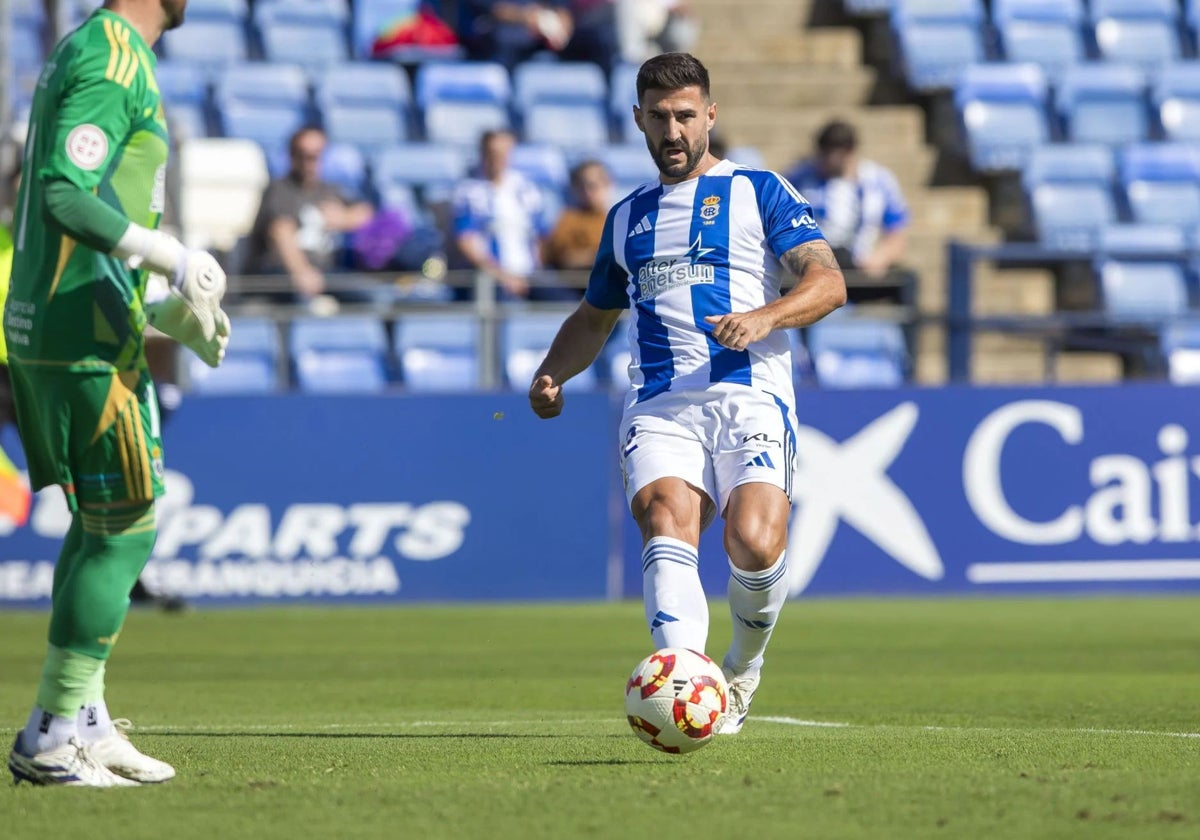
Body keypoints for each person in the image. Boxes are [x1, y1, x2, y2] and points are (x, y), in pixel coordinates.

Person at [528, 53, 845, 734]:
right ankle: (685, 683)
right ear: (638, 119)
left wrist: (763, 317)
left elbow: (828, 282)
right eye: (659, 117)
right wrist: (555, 370)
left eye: (684, 116)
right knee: (665, 517)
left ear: (710, 115)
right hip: (661, 403)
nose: (672, 130)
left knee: (756, 545)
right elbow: (593, 317)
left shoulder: (759, 191)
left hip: (751, 395)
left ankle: (741, 668)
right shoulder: (626, 219)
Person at [4, 0, 231, 786]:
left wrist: (172, 311)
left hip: (76, 320)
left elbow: (95, 200)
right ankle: (49, 734)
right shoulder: (113, 57)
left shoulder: (97, 47)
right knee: (129, 528)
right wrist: (170, 253)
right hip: (82, 334)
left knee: (99, 525)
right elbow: (66, 194)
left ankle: (86, 725)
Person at [784, 120, 913, 304]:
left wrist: (879, 258)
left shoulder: (879, 181)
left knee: (906, 281)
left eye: (839, 155)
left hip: (859, 267)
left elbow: (897, 235)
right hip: (813, 266)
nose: (832, 161)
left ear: (851, 152)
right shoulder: (798, 179)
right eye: (826, 154)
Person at [243, 126, 374, 304]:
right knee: (302, 299)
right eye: (303, 155)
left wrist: (343, 218)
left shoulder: (328, 189)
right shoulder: (280, 190)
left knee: (373, 296)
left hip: (325, 271)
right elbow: (282, 232)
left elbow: (365, 212)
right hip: (280, 272)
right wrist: (302, 272)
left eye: (315, 155)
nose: (309, 162)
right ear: (292, 156)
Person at [451, 128, 551, 300]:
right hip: (491, 278)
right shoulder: (468, 192)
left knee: (567, 303)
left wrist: (536, 269)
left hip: (528, 275)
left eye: (504, 153)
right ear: (482, 153)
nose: (498, 159)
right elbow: (466, 241)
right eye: (493, 153)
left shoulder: (526, 189)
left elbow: (541, 236)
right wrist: (502, 276)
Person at [540, 160, 612, 285]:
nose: (587, 192)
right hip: (572, 284)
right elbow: (562, 257)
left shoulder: (618, 220)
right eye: (582, 186)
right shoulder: (567, 220)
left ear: (606, 185)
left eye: (593, 185)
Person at [461, 0, 574, 70]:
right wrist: (528, 16)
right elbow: (495, 9)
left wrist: (558, 31)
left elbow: (563, 11)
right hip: (498, 36)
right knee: (509, 37)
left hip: (542, 38)